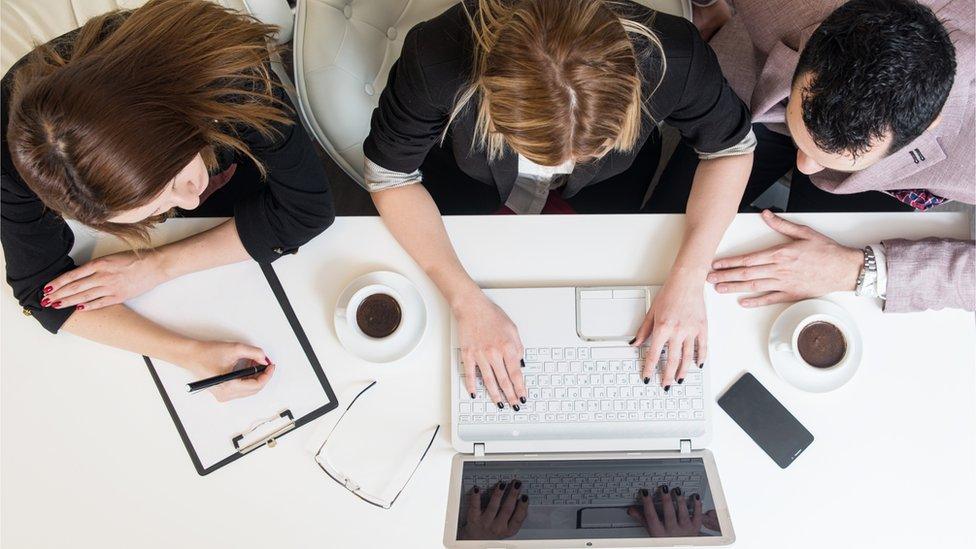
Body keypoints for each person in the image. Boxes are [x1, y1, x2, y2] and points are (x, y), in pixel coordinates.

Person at [364, 0, 756, 406]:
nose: (563, 167)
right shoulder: (435, 58)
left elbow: (731, 149)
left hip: (606, 188)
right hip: (471, 182)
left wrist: (690, 277)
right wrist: (465, 302)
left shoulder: (675, 55)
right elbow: (390, 176)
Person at [1, 0, 335, 400]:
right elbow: (42, 292)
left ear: (174, 124)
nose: (189, 203)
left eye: (178, 181)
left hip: (236, 151)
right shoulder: (15, 158)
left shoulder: (223, 68)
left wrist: (157, 266)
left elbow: (308, 208)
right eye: (154, 207)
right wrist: (191, 353)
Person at [656, 0, 974, 312]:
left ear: (928, 124)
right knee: (662, 231)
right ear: (815, 37)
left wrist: (855, 270)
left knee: (824, 302)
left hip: (898, 178)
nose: (804, 167)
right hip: (762, 88)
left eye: (821, 156)